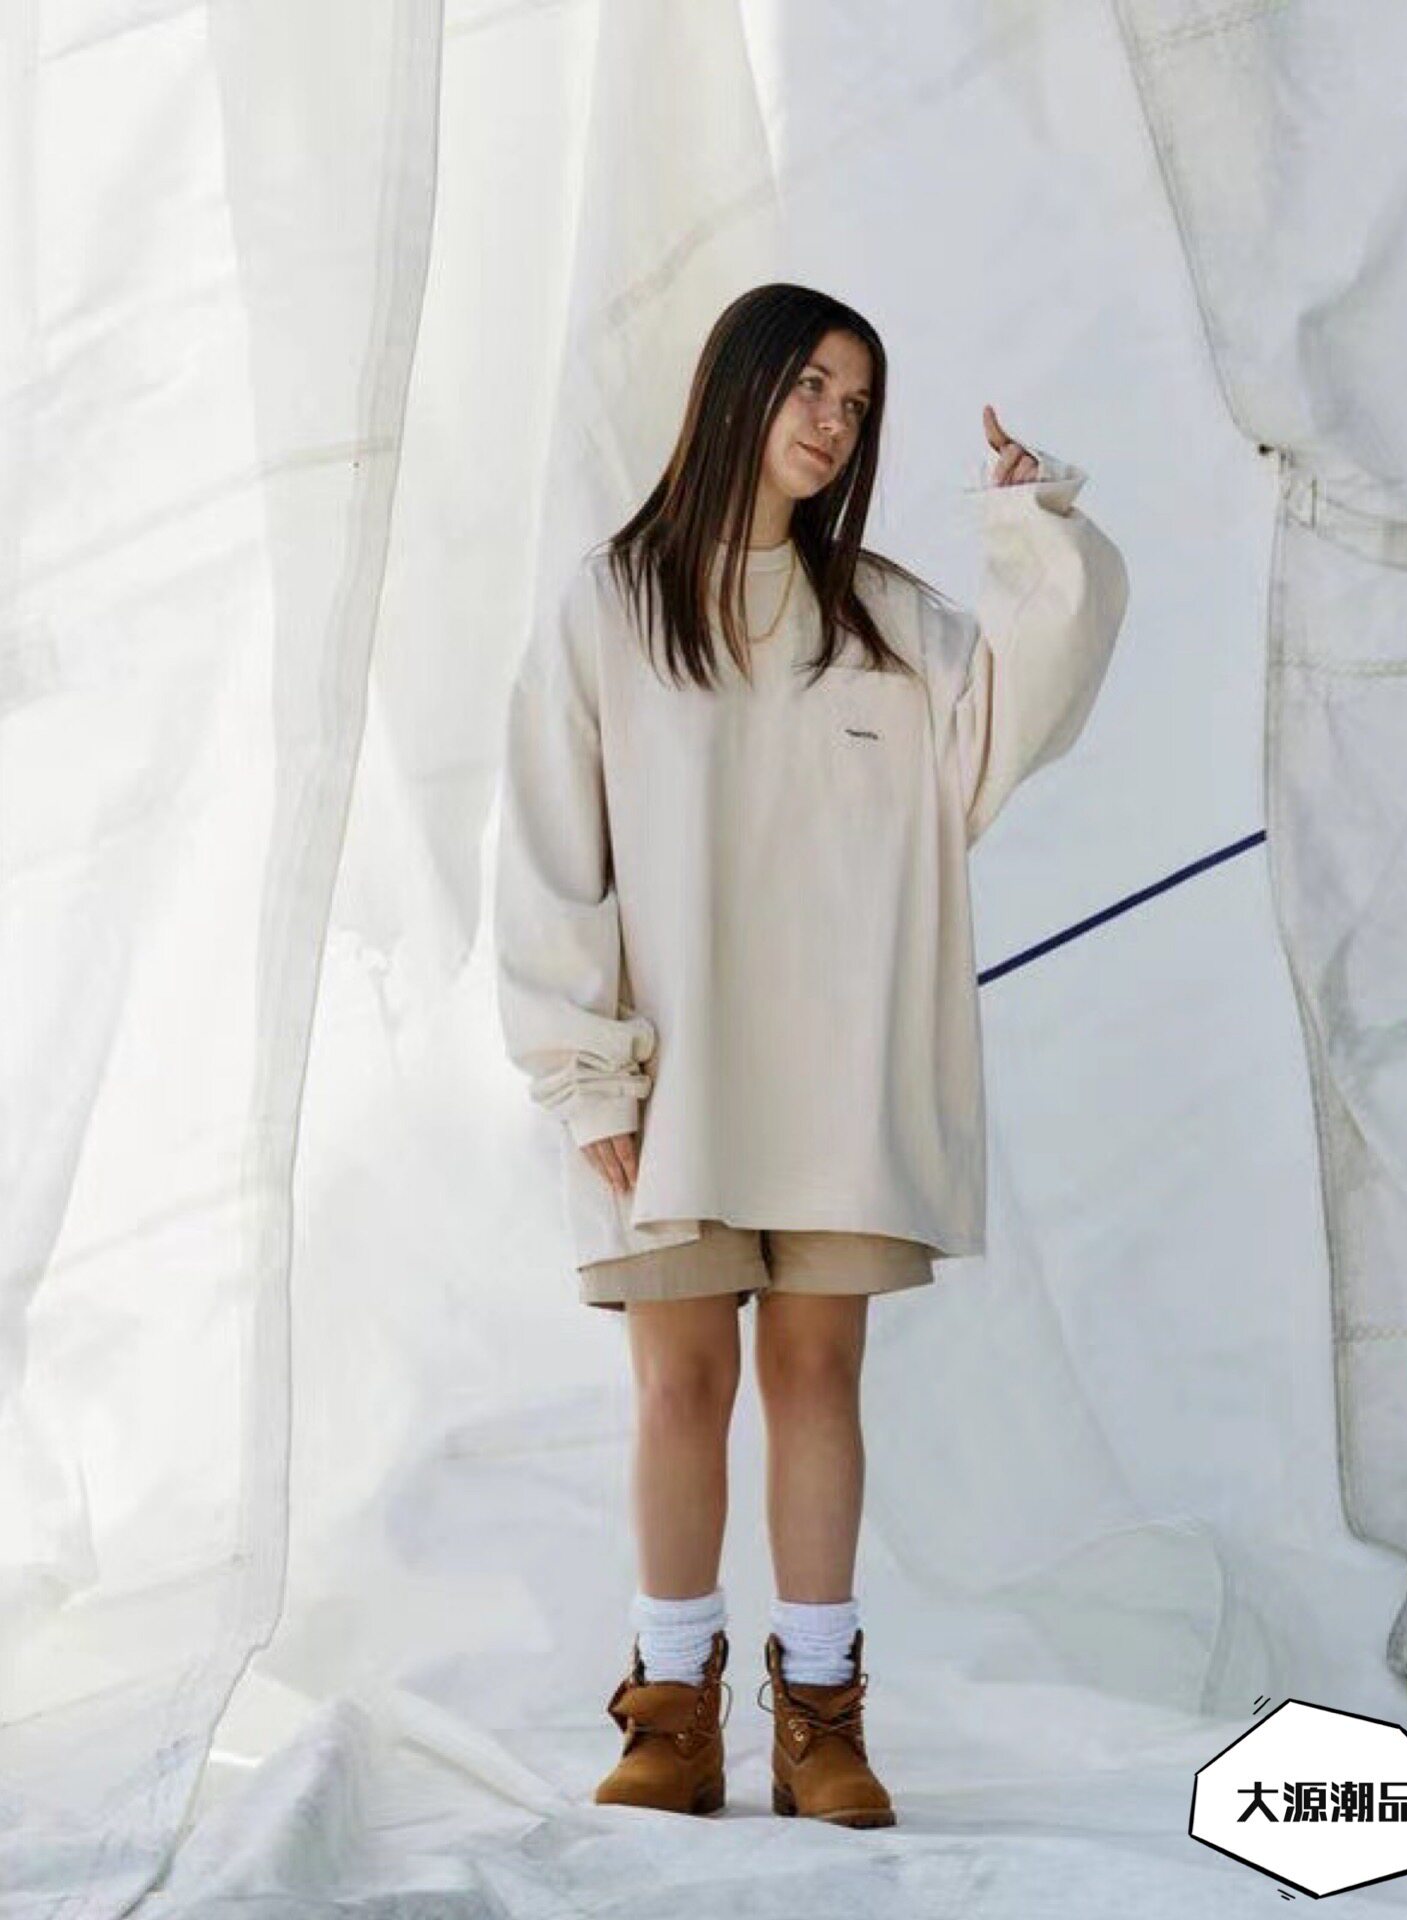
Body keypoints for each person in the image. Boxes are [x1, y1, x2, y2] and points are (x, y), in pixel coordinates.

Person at [494, 282, 1130, 1826]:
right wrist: (586, 1075)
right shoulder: (612, 605)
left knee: (816, 1370)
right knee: (679, 1382)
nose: (835, 422)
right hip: (669, 1080)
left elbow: (1013, 718)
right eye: (811, 387)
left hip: (843, 1080)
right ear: (740, 383)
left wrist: (1030, 528)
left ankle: (823, 1721)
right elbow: (550, 852)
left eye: (857, 403)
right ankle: (670, 1715)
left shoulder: (882, 618)